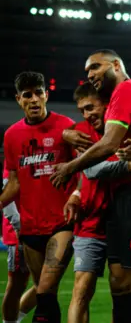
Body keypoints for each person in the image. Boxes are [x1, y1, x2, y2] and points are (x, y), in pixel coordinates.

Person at [49, 50, 131, 323]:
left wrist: (70, 167)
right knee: (120, 281)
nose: (90, 74)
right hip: (122, 199)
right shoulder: (111, 108)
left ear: (116, 65)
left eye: (95, 67)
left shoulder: (128, 90)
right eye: (87, 71)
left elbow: (112, 144)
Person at [0, 71, 77, 323]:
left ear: (46, 94)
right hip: (30, 228)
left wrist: (76, 195)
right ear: (18, 100)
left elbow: (85, 166)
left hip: (61, 224)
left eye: (38, 93)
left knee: (43, 292)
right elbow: (14, 183)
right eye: (27, 95)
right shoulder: (12, 135)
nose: (34, 99)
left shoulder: (65, 126)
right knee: (46, 292)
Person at [2, 164, 37, 323]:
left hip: (43, 225)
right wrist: (17, 224)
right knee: (17, 284)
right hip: (19, 229)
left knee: (47, 282)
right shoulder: (15, 149)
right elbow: (5, 188)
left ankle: (15, 320)